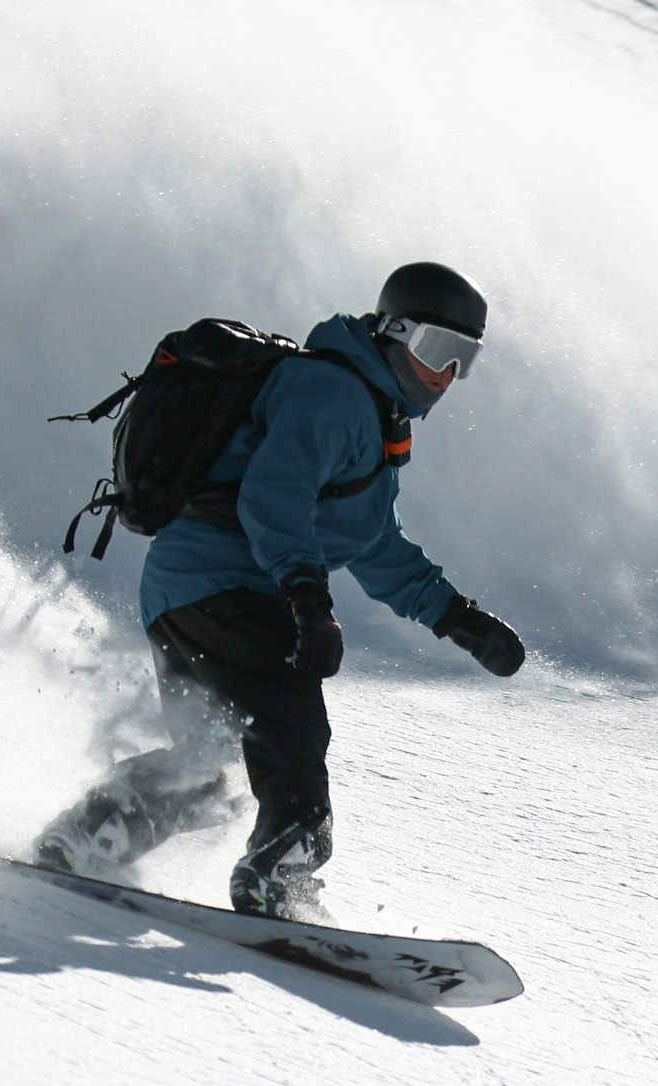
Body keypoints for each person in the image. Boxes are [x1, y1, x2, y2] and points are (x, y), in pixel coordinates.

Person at [34, 262, 526, 918]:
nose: (446, 375)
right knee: (292, 725)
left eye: (465, 360)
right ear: (394, 332)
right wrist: (306, 598)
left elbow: (374, 541)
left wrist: (457, 618)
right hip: (225, 584)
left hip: (185, 591)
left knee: (205, 760)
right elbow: (275, 498)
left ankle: (93, 831)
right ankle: (281, 870)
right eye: (437, 349)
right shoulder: (333, 394)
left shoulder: (370, 417)